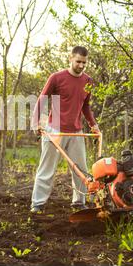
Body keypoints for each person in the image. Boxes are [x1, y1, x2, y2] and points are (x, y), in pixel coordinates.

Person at [30, 46, 100, 214]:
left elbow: (86, 106)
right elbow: (42, 99)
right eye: (78, 62)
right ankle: (37, 204)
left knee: (80, 169)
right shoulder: (57, 78)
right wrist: (35, 123)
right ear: (70, 58)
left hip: (76, 132)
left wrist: (93, 124)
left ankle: (78, 202)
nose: (81, 65)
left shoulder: (87, 81)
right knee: (47, 169)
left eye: (84, 62)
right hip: (55, 131)